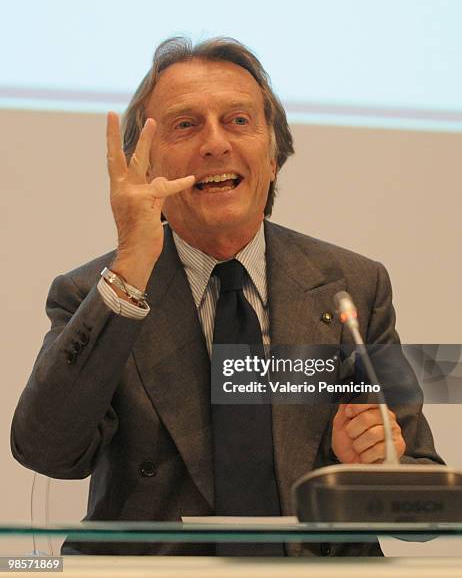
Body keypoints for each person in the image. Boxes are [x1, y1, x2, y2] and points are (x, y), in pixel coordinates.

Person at [11, 37, 443, 557]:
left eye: (238, 121)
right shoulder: (96, 293)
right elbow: (48, 451)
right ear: (145, 168)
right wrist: (128, 272)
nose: (216, 144)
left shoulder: (353, 286)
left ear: (274, 155)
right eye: (185, 124)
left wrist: (376, 473)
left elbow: (422, 509)